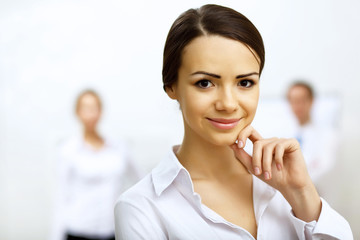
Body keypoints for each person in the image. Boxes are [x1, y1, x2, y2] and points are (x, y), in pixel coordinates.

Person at [114, 4, 353, 239]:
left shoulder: (284, 187)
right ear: (171, 86)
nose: (228, 104)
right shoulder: (141, 208)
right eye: (205, 83)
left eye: (245, 83)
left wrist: (303, 194)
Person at [51, 90, 142, 240]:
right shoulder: (68, 150)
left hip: (112, 232)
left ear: (101, 111)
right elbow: (62, 197)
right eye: (85, 108)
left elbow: (141, 180)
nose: (90, 114)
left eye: (94, 108)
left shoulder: (119, 148)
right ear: (77, 112)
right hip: (78, 230)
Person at [287, 81, 337, 183]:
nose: (297, 106)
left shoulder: (328, 135)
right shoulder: (286, 135)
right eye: (293, 101)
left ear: (311, 101)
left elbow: (325, 169)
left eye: (301, 100)